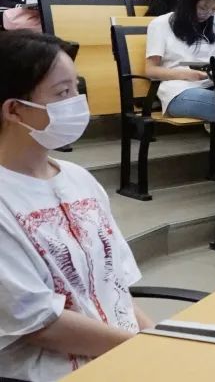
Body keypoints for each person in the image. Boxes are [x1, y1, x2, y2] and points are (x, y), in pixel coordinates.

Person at [0, 32, 152, 379]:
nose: (77, 103)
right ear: (14, 110)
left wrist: (157, 342)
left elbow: (115, 286)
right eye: (62, 93)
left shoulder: (78, 178)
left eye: (76, 88)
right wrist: (142, 350)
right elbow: (41, 323)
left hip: (121, 354)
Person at [145, 0, 215, 122]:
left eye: (214, 9)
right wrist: (188, 74)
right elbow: (150, 70)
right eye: (203, 8)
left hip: (213, 85)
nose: (208, 14)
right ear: (189, 2)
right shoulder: (160, 24)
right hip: (179, 89)